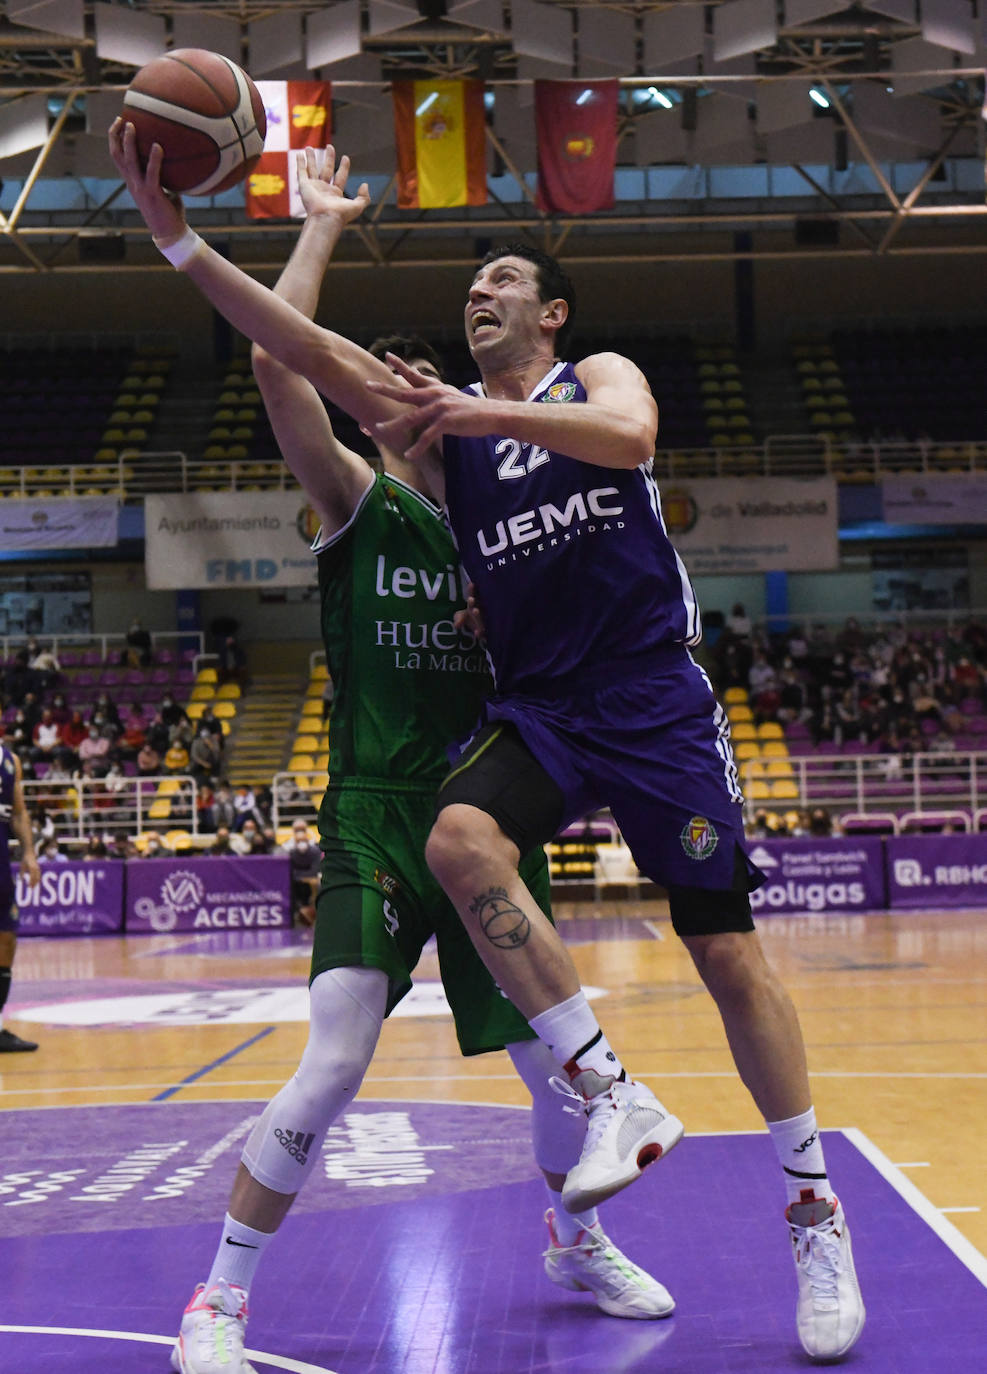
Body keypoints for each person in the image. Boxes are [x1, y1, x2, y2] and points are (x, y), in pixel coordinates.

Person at [109, 126, 864, 1363]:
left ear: (553, 314)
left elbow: (631, 443)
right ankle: (609, 1092)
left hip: (650, 698)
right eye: (467, 293)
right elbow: (294, 357)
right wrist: (184, 240)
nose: (477, 297)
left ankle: (811, 1210)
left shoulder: (594, 378)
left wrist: (472, 409)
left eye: (501, 283)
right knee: (454, 854)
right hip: (524, 726)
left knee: (727, 953)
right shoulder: (420, 474)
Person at [0, 739, 41, 1051]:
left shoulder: (10, 759)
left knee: (6, 939)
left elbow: (19, 813)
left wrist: (29, 853)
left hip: (2, 859)